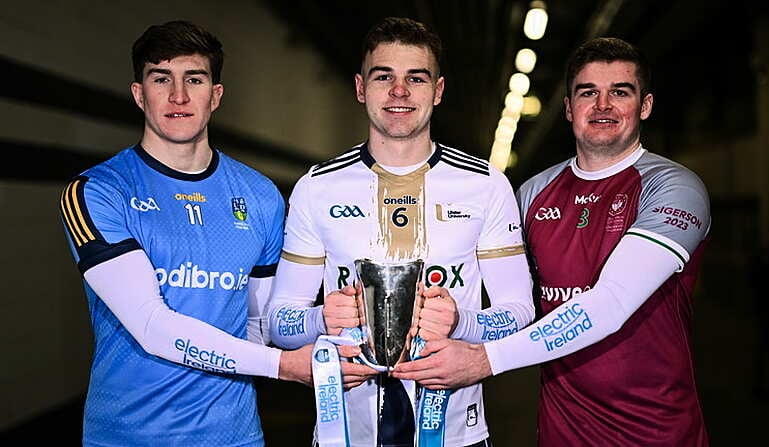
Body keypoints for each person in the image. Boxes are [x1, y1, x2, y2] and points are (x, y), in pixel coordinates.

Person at [58, 20, 369, 447]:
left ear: (215, 95)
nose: (179, 96)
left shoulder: (260, 196)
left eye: (195, 79)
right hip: (127, 436)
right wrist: (283, 366)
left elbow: (261, 323)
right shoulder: (97, 192)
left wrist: (323, 319)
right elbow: (151, 325)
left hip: (234, 435)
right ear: (138, 94)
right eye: (161, 78)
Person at [393, 37, 712, 446]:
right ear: (568, 108)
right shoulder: (530, 194)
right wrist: (456, 321)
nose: (603, 105)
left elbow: (610, 303)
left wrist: (484, 361)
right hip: (563, 431)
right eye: (587, 93)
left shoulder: (673, 187)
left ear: (645, 105)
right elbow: (514, 306)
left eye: (620, 92)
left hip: (659, 432)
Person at [267, 17, 535, 447]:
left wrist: (462, 323)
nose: (399, 91)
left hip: (455, 436)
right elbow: (279, 323)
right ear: (359, 88)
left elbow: (520, 313)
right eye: (383, 76)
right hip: (345, 436)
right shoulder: (316, 188)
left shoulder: (486, 184)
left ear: (439, 90)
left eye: (416, 77)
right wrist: (322, 319)